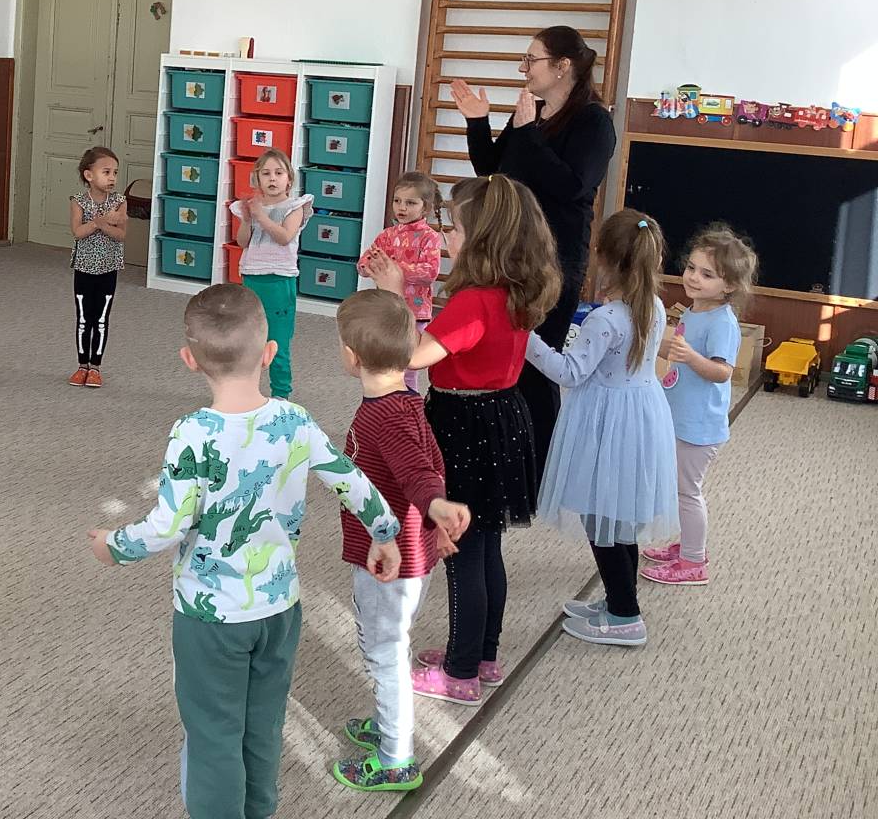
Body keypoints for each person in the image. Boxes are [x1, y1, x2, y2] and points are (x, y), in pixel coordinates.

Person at [88, 283, 402, 819]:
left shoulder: (192, 433)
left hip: (209, 617)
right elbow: (350, 479)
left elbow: (168, 524)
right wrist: (385, 531)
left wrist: (112, 546)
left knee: (213, 731)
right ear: (269, 353)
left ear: (189, 360)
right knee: (264, 723)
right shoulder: (295, 420)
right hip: (279, 609)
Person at [369, 174, 560, 705]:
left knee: (462, 550)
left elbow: (411, 356)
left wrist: (394, 295)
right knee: (487, 545)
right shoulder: (515, 292)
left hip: (465, 425)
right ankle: (482, 655)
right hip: (502, 417)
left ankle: (459, 672)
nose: (446, 237)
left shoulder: (474, 302)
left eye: (453, 228)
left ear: (482, 239)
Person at [453, 25, 617, 469]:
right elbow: (493, 169)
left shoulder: (594, 121)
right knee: (505, 356)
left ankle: (542, 466)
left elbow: (572, 186)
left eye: (531, 59)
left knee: (538, 364)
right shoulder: (533, 110)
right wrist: (477, 121)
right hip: (512, 251)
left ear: (562, 66)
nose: (523, 69)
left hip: (555, 260)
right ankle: (507, 455)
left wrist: (528, 133)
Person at [330, 289, 471, 793]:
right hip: (414, 551)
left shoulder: (382, 416)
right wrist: (438, 523)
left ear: (352, 357)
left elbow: (417, 474)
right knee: (390, 645)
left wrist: (436, 508)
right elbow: (432, 462)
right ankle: (388, 725)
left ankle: (395, 758)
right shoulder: (407, 402)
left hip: (389, 562)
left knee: (384, 653)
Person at [525, 210, 679, 647]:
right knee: (619, 514)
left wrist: (526, 338)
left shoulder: (606, 318)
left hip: (608, 421)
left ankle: (625, 615)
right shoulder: (654, 306)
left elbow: (569, 373)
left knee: (601, 517)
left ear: (603, 256)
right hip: (639, 415)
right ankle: (618, 599)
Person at [641, 223, 755, 587]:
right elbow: (676, 350)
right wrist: (645, 340)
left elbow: (722, 372)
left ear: (729, 285)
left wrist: (691, 357)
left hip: (699, 426)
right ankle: (688, 546)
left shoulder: (722, 322)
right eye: (691, 268)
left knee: (686, 492)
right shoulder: (695, 311)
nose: (693, 277)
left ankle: (693, 562)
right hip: (681, 418)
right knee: (678, 488)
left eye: (707, 275)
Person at [230, 149, 314, 401]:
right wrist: (248, 220)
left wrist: (261, 217)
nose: (272, 178)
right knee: (248, 338)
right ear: (257, 179)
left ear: (289, 179)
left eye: (279, 173)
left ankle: (280, 393)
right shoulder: (253, 207)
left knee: (277, 340)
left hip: (279, 280)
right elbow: (242, 242)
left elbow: (284, 236)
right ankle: (245, 389)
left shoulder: (294, 207)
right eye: (266, 173)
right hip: (252, 277)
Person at [357, 171, 445, 391]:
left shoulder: (430, 237)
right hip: (385, 309)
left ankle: (409, 403)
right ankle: (385, 400)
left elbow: (430, 272)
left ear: (425, 208)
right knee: (384, 363)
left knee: (407, 365)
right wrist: (368, 267)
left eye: (410, 203)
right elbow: (365, 263)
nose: (401, 207)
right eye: (397, 201)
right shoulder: (387, 235)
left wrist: (394, 269)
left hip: (414, 313)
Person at [69, 146, 127, 388]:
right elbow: (78, 232)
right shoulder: (78, 201)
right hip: (83, 268)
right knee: (84, 318)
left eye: (115, 172)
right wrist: (101, 221)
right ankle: (82, 365)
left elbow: (121, 235)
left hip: (108, 269)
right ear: (89, 175)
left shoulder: (120, 202)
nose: (112, 177)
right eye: (106, 172)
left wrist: (105, 225)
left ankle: (95, 367)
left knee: (101, 319)